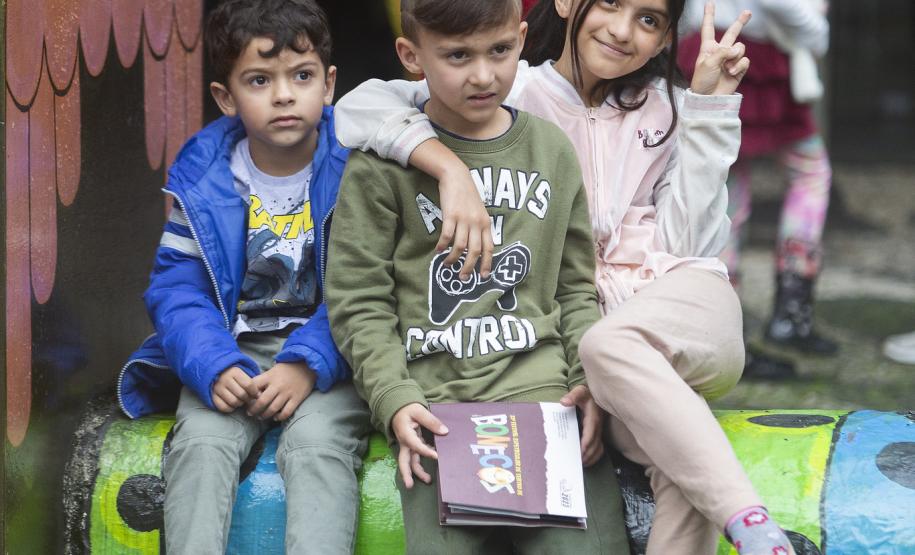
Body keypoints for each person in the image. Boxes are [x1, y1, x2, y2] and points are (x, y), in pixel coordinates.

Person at [332, 1, 799, 554]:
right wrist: (447, 167)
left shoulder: (662, 110)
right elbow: (359, 107)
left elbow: (678, 248)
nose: (624, 31)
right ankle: (754, 529)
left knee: (607, 348)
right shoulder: (512, 91)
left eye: (650, 20)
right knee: (669, 443)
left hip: (648, 323)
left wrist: (708, 108)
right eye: (611, 4)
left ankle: (748, 524)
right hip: (537, 373)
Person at [326, 0, 631, 552]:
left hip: (547, 401)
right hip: (435, 408)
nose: (483, 75)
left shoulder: (551, 151)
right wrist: (394, 397)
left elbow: (573, 289)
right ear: (411, 56)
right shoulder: (379, 167)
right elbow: (359, 301)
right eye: (458, 56)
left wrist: (588, 378)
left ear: (521, 38)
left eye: (499, 50)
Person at [117, 1, 371, 553]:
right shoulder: (206, 180)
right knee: (202, 444)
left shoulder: (356, 168)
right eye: (260, 79)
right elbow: (178, 289)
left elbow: (370, 288)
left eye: (301, 76)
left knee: (317, 445)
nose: (284, 94)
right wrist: (211, 364)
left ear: (328, 84)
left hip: (335, 351)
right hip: (232, 350)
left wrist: (309, 363)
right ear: (227, 98)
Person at [680, 0, 837, 382]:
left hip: (728, 48)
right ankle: (773, 319)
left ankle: (737, 330)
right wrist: (817, 34)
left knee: (727, 194)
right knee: (743, 190)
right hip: (744, 54)